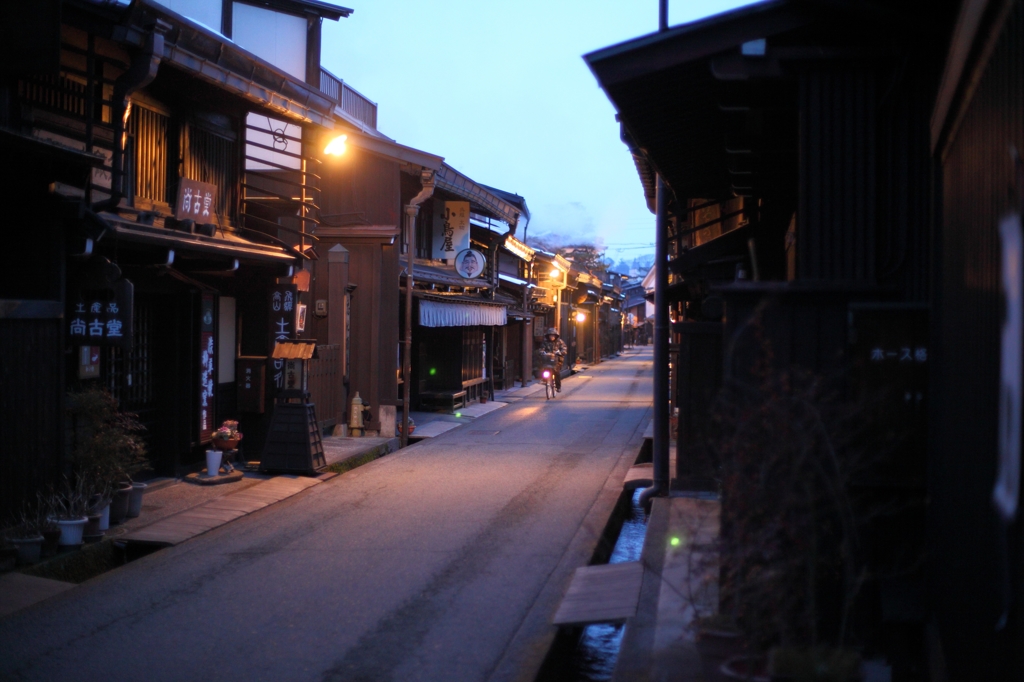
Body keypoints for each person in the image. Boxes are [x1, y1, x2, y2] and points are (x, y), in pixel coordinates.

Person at [538, 327, 567, 391]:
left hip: (557, 360)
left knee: (557, 372)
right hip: (547, 359)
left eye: (553, 335)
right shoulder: (545, 342)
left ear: (556, 336)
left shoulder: (559, 341)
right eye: (550, 335)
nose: (552, 337)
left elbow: (564, 348)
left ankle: (558, 387)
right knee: (544, 368)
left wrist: (560, 352)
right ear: (548, 336)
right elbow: (541, 349)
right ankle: (545, 379)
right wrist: (542, 352)